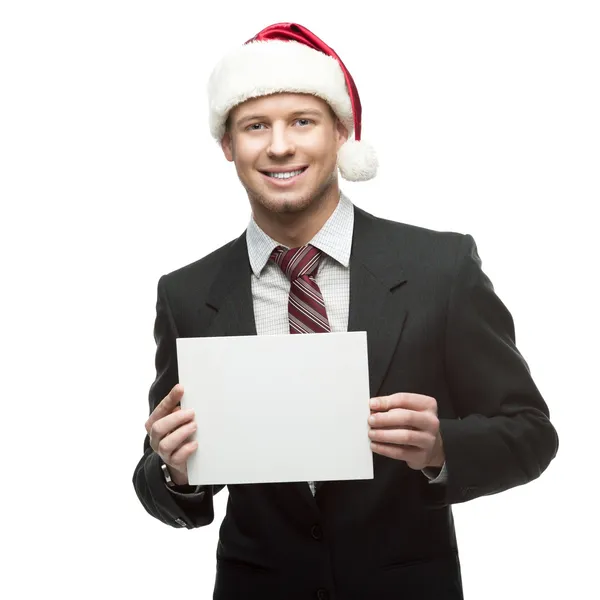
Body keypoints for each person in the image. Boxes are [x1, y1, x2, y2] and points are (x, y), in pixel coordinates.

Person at [132, 22, 559, 600]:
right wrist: (173, 471)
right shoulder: (186, 293)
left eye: (302, 121)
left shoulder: (440, 266)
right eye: (255, 126)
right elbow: (155, 475)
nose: (279, 146)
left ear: (340, 133)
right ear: (228, 146)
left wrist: (440, 448)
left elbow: (531, 433)